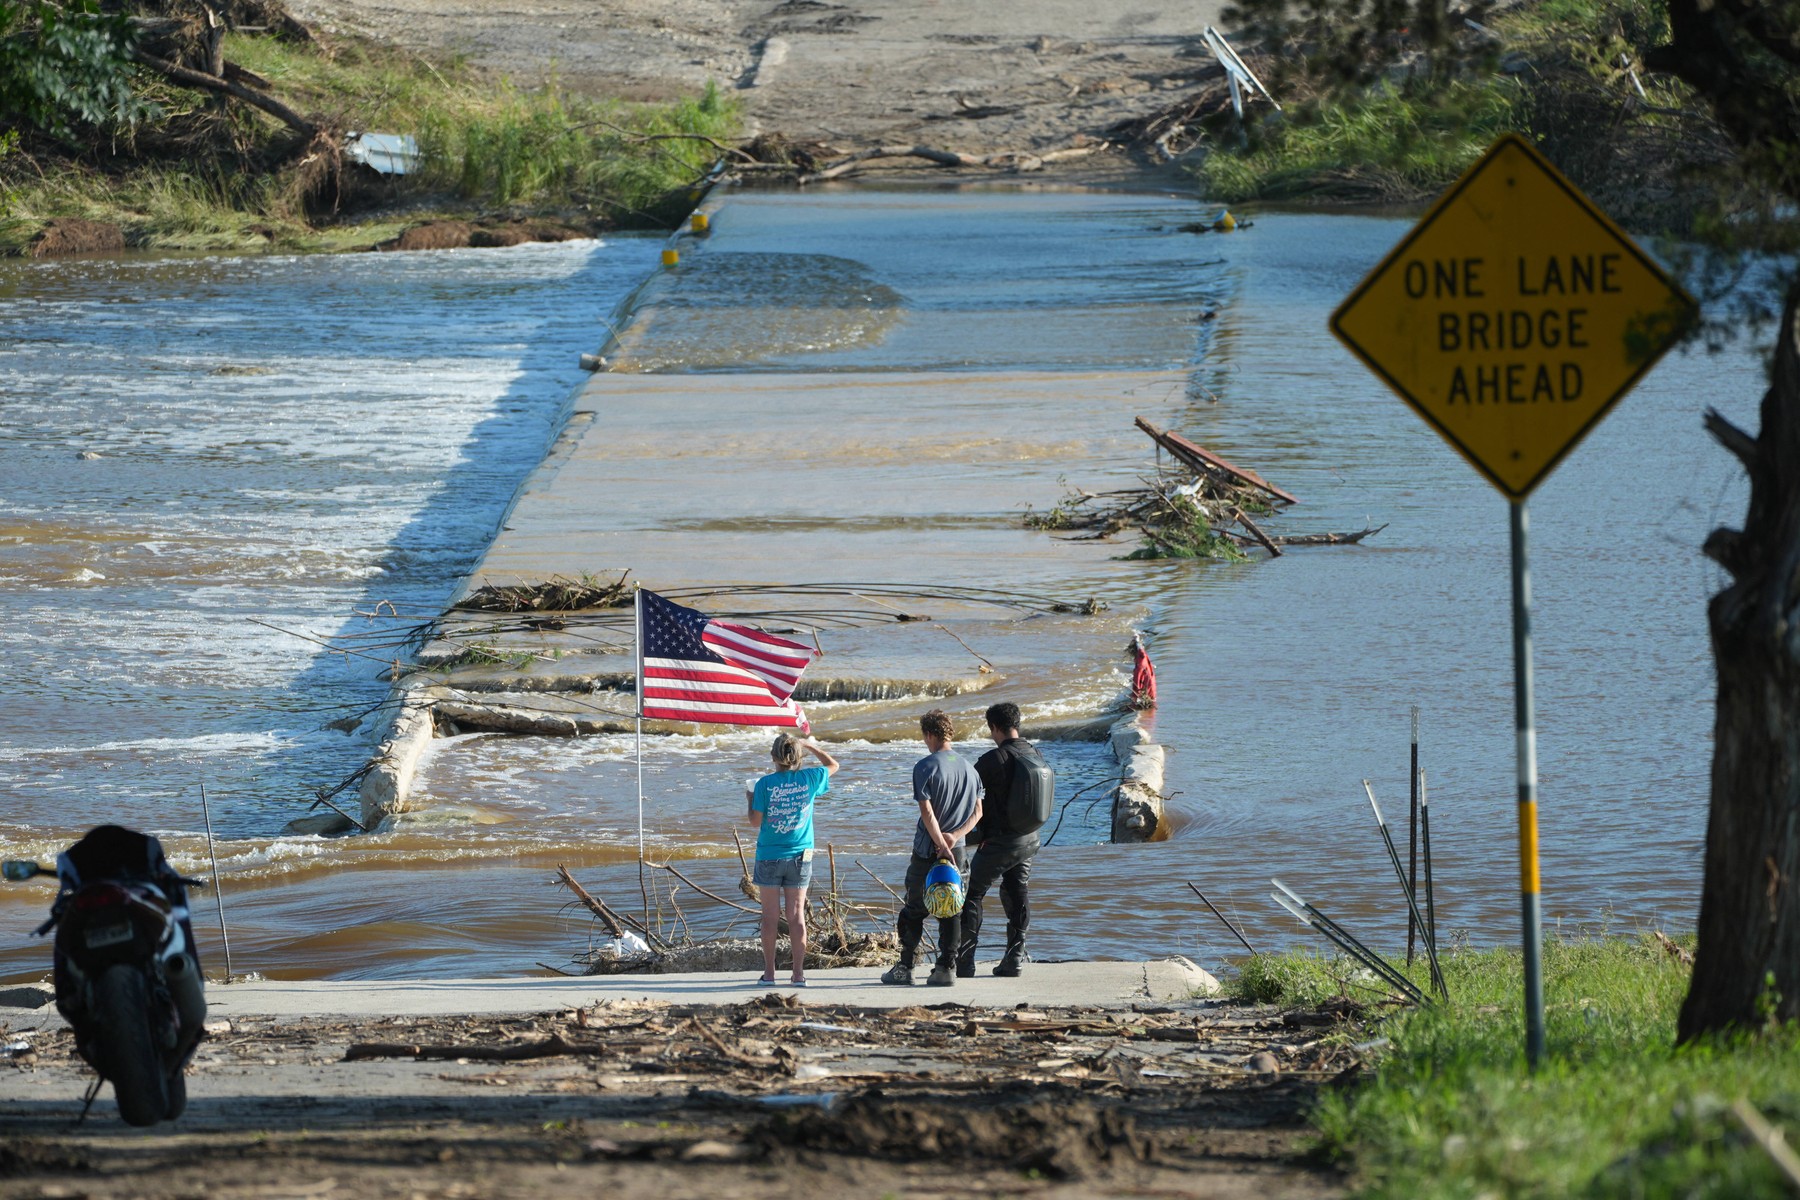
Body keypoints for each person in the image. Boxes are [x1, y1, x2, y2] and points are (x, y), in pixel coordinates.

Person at [881, 708, 983, 987]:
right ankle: (946, 967)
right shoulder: (970, 769)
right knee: (952, 909)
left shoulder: (925, 766)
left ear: (929, 734)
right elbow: (978, 812)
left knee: (914, 909)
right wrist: (954, 837)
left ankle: (905, 966)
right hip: (958, 850)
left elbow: (927, 813)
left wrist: (940, 843)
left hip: (929, 851)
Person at [747, 732, 839, 986]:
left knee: (770, 917)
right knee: (797, 915)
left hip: (769, 856)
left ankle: (769, 974)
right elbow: (833, 765)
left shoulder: (764, 784)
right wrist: (810, 745)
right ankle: (798, 975)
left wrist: (749, 800)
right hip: (801, 856)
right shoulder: (809, 778)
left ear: (773, 757)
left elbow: (755, 821)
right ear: (799, 756)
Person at [960, 702, 1041, 978]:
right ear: (1016, 724)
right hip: (1029, 839)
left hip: (999, 842)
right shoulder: (1035, 753)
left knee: (971, 895)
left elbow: (965, 793)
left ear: (993, 727)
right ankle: (1014, 959)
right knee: (1017, 890)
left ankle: (965, 961)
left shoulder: (992, 760)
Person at [1128, 633, 1158, 710]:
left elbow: (1137, 682)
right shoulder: (1143, 658)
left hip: (1146, 684)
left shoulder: (1140, 662)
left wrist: (1134, 697)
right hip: (1150, 683)